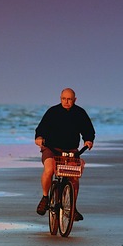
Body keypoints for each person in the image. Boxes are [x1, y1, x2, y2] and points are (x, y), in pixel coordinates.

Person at [34, 88, 95, 220]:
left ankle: (72, 207)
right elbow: (41, 128)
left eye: (69, 99)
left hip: (71, 150)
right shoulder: (52, 112)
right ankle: (45, 197)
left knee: (74, 177)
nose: (66, 102)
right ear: (60, 98)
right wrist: (39, 137)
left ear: (75, 100)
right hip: (51, 148)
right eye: (64, 99)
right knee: (49, 169)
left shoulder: (80, 113)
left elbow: (88, 130)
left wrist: (89, 140)